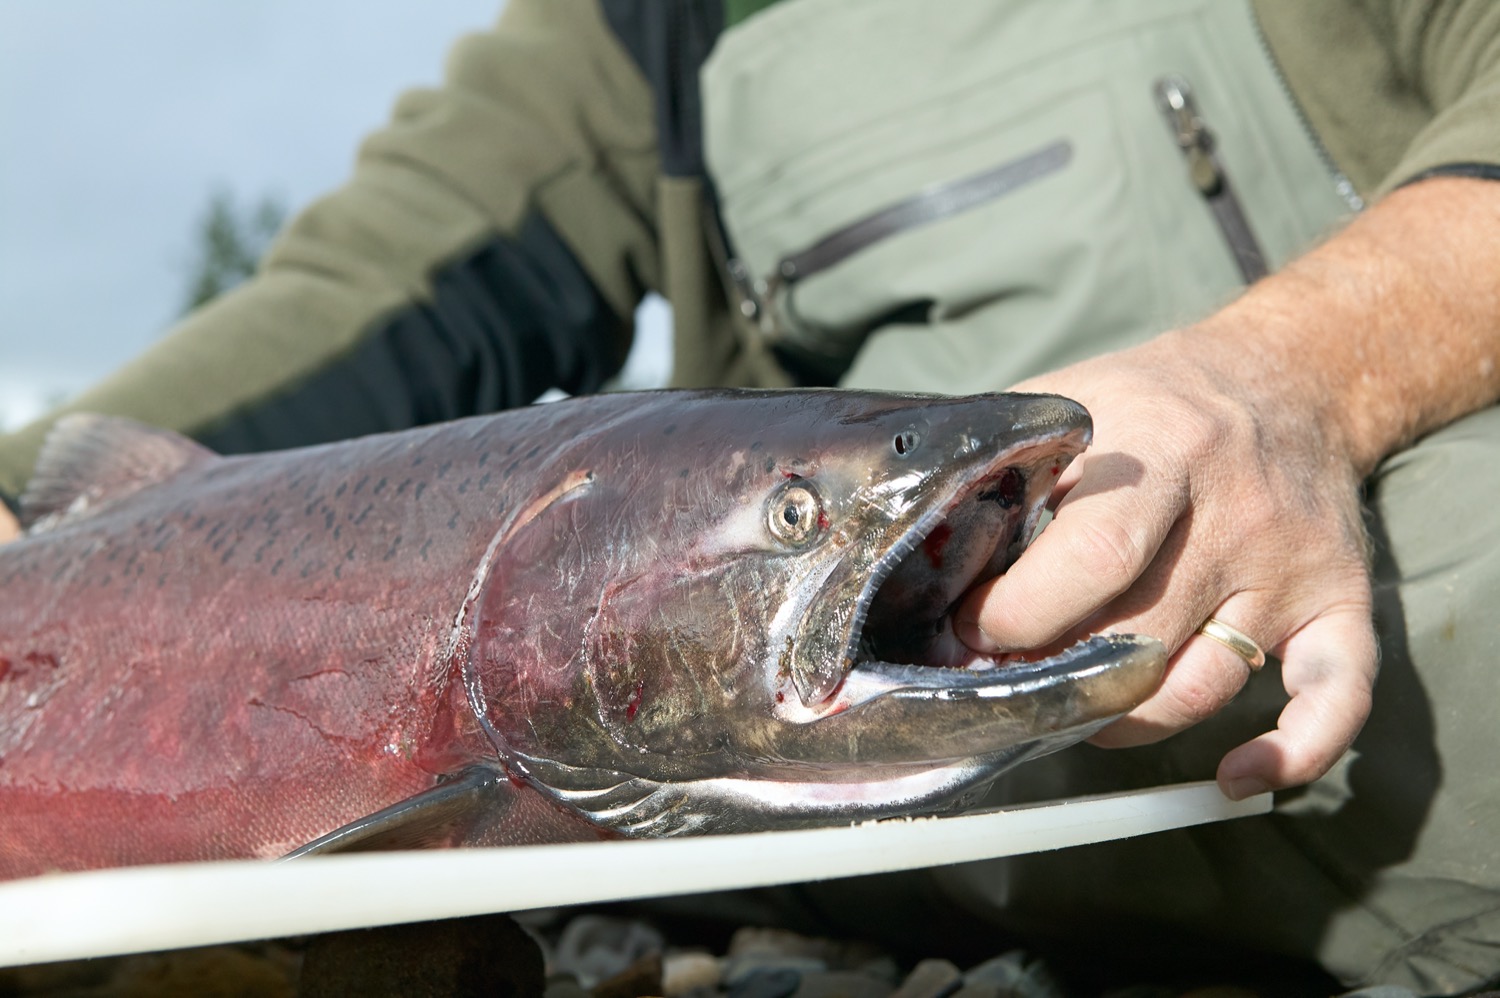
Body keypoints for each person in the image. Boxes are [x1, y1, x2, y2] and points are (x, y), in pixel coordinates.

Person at [2, 0, 1497, 991]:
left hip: (1377, 509)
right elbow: (382, 294)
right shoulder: (643, 28)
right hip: (848, 700)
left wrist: (1293, 377)